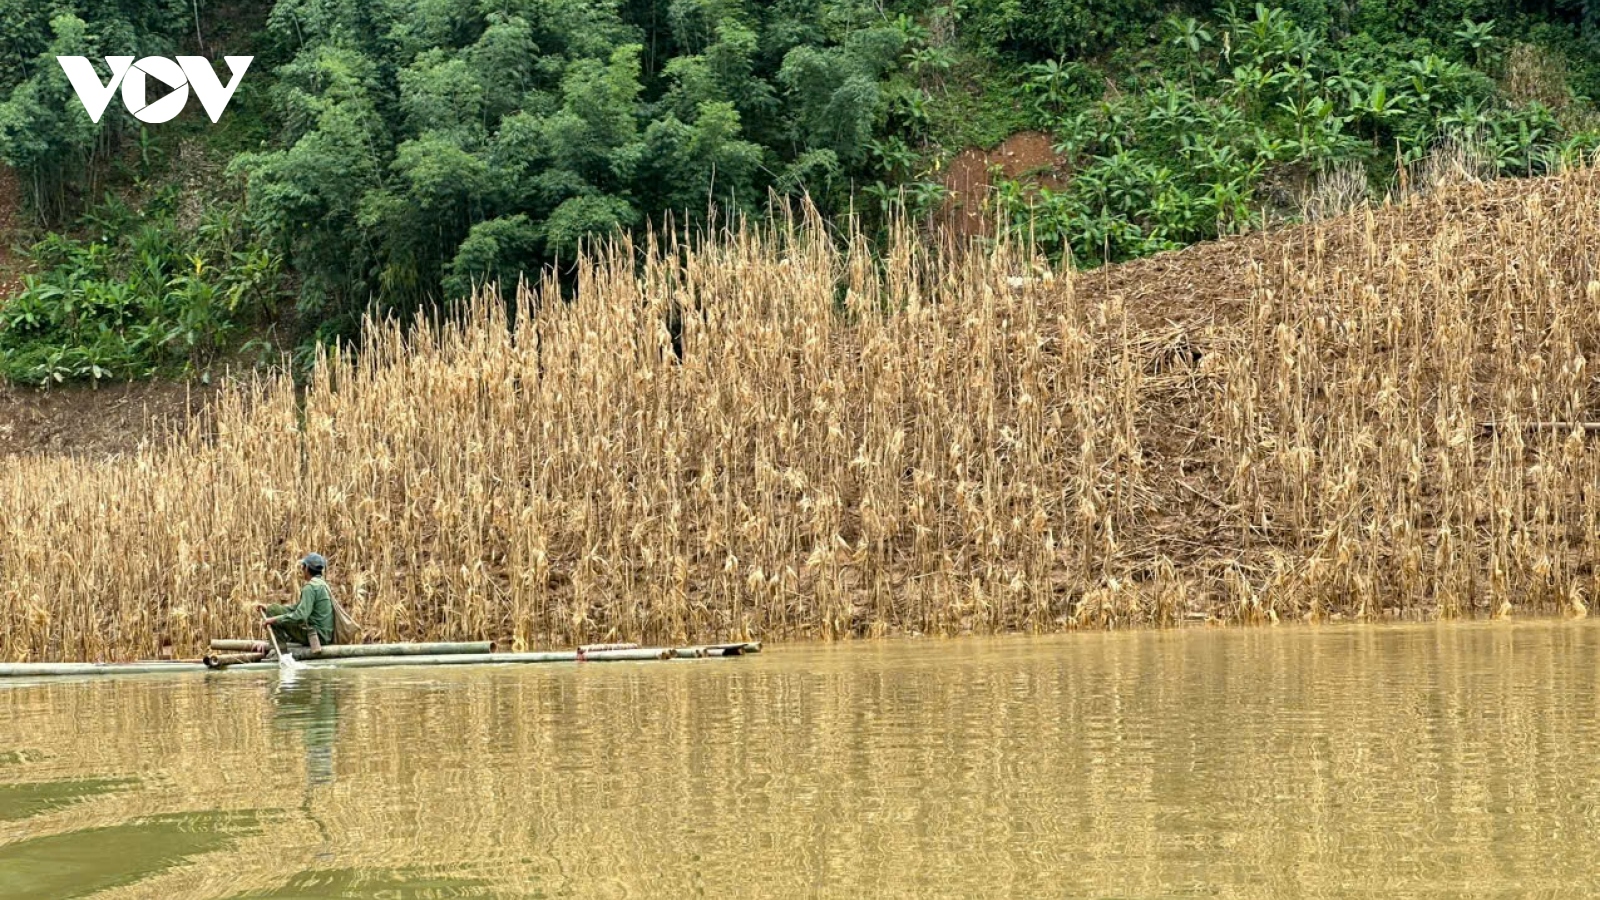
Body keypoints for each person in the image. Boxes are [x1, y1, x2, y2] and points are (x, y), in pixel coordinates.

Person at [260, 553, 336, 654]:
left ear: (307, 568)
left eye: (303, 567)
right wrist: (268, 609)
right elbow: (296, 608)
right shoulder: (322, 584)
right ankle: (279, 646)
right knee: (273, 609)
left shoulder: (310, 587)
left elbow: (300, 616)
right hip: (324, 635)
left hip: (317, 636)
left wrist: (274, 620)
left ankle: (280, 652)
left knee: (274, 612)